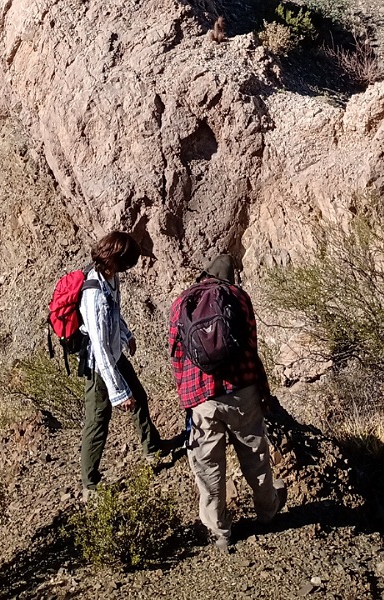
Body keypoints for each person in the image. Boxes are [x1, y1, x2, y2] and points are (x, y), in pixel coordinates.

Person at [168, 254, 286, 552]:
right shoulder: (238, 297)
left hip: (201, 398)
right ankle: (268, 512)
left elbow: (175, 353)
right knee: (254, 453)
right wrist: (262, 389)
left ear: (204, 275)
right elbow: (251, 346)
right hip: (242, 389)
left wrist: (187, 397)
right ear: (230, 277)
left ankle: (219, 530)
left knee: (207, 464)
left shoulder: (182, 302)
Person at [79, 231, 163, 499]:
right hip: (100, 365)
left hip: (115, 355)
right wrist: (118, 392)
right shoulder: (94, 293)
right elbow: (100, 347)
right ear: (115, 259)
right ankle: (90, 483)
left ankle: (152, 448)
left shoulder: (110, 278)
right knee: (98, 421)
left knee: (140, 398)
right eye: (127, 263)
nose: (129, 269)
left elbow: (115, 314)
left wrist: (127, 336)